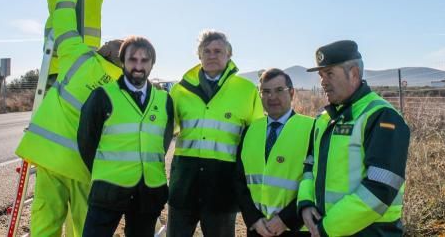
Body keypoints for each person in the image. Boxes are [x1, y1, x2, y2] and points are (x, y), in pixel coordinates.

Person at [15, 0, 123, 237]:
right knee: (83, 226)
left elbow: (64, 21)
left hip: (50, 159)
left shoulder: (80, 58)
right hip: (86, 168)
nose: (107, 42)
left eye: (112, 43)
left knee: (45, 221)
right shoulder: (120, 88)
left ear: (110, 54)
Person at [297, 40, 410, 237]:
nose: (323, 82)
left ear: (354, 74)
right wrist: (305, 204)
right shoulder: (324, 119)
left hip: (371, 232)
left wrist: (326, 228)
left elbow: (380, 188)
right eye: (321, 75)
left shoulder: (382, 116)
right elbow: (309, 165)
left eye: (330, 73)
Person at [168, 30, 264, 236]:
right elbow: (163, 133)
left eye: (218, 51)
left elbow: (256, 139)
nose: (212, 55)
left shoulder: (247, 90)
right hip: (184, 184)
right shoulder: (180, 90)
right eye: (207, 51)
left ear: (229, 55)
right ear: (199, 55)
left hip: (223, 187)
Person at [78, 36, 174, 237]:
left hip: (148, 192)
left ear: (152, 64)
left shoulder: (165, 101)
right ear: (122, 62)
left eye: (144, 60)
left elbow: (163, 143)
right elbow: (86, 142)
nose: (138, 66)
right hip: (108, 191)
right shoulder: (102, 96)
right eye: (132, 59)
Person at [235, 68, 314, 236]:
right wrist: (254, 219)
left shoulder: (313, 128)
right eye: (266, 92)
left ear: (292, 93)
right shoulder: (250, 130)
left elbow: (318, 181)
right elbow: (239, 180)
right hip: (258, 228)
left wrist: (285, 220)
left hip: (296, 228)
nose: (272, 97)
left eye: (279, 90)